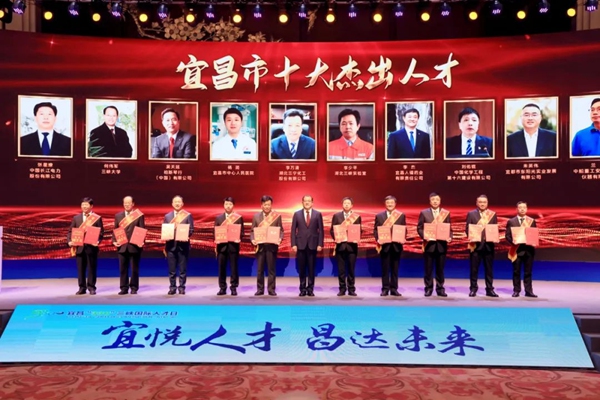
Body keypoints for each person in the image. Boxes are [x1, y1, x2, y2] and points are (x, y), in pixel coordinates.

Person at [417, 192, 452, 297]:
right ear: (430, 201)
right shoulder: (424, 213)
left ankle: (440, 289)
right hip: (429, 245)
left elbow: (449, 228)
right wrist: (425, 236)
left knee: (440, 269)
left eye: (437, 200)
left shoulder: (445, 213)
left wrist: (450, 237)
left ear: (440, 201)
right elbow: (419, 228)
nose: (435, 201)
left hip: (441, 245)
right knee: (428, 269)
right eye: (433, 200)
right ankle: (428, 288)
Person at [67, 197, 104, 295]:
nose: (84, 206)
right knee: (81, 269)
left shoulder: (97, 218)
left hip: (91, 247)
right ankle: (82, 288)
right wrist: (69, 241)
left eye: (86, 205)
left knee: (92, 268)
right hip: (79, 247)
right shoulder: (76, 218)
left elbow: (101, 233)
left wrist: (97, 241)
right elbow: (70, 231)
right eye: (83, 204)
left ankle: (91, 287)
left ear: (91, 206)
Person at [465, 194, 499, 297]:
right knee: (474, 269)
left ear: (487, 203)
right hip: (475, 246)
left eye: (484, 202)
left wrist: (494, 237)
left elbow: (494, 228)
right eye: (480, 202)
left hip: (489, 246)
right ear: (476, 203)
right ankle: (473, 289)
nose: (482, 204)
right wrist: (473, 235)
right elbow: (467, 229)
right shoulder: (471, 214)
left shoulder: (492, 214)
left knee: (489, 269)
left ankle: (489, 289)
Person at [291, 195, 324, 297]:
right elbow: (293, 230)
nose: (307, 202)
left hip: (313, 245)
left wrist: (320, 244)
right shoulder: (297, 214)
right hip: (300, 245)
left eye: (309, 201)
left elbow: (321, 230)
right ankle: (302, 289)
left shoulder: (318, 214)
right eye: (305, 201)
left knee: (311, 269)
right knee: (301, 269)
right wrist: (293, 244)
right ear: (302, 202)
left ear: (312, 203)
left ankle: (310, 289)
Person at [250, 195, 283, 296]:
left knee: (271, 270)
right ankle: (260, 289)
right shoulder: (256, 217)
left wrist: (280, 238)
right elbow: (252, 231)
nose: (267, 206)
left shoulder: (276, 216)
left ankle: (271, 289)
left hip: (272, 247)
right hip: (260, 247)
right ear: (261, 205)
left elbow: (281, 230)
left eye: (268, 204)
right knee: (260, 270)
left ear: (271, 205)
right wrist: (253, 239)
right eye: (265, 205)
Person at [373, 195, 406, 297]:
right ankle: (385, 289)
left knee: (395, 269)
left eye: (392, 202)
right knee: (385, 269)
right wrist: (378, 239)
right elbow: (375, 230)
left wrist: (403, 238)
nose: (390, 204)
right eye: (388, 202)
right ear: (385, 204)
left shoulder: (401, 215)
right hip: (385, 246)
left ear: (395, 204)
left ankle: (394, 289)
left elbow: (404, 229)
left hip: (396, 246)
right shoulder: (379, 216)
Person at [112, 196, 145, 295]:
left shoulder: (139, 215)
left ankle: (134, 287)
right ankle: (124, 288)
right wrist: (114, 241)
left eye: (129, 203)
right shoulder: (118, 216)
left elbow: (142, 229)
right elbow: (115, 230)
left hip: (134, 246)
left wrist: (141, 241)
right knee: (123, 268)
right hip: (122, 246)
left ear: (133, 204)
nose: (126, 205)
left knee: (134, 269)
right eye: (125, 203)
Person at [505, 201, 538, 298]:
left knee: (528, 272)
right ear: (516, 209)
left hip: (529, 250)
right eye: (520, 207)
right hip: (517, 250)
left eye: (524, 207)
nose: (522, 209)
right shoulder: (511, 221)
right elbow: (507, 236)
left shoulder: (531, 221)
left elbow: (533, 234)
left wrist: (533, 241)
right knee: (516, 271)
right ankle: (516, 290)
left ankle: (529, 291)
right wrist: (513, 242)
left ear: (527, 209)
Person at [330, 197, 361, 296]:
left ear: (352, 205)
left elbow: (360, 230)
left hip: (352, 247)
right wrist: (336, 238)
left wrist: (357, 237)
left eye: (348, 203)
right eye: (345, 203)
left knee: (351, 269)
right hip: (340, 246)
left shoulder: (356, 217)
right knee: (341, 269)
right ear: (342, 205)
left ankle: (351, 289)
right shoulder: (336, 216)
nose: (346, 205)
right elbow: (332, 230)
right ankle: (342, 289)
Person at [163, 195, 194, 295]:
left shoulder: (187, 215)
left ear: (182, 204)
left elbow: (191, 229)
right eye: (175, 202)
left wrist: (186, 235)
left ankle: (181, 287)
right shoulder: (167, 216)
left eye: (179, 202)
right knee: (172, 270)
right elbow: (165, 229)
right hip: (171, 246)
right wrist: (166, 235)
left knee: (182, 269)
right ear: (172, 204)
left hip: (183, 246)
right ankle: (172, 287)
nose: (177, 203)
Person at [214, 197, 244, 296]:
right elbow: (215, 232)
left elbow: (242, 232)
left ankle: (233, 287)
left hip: (233, 247)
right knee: (221, 269)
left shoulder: (238, 218)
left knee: (234, 268)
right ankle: (222, 288)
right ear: (223, 205)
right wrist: (216, 238)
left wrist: (239, 238)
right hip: (221, 248)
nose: (228, 206)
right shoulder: (218, 218)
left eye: (230, 204)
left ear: (233, 206)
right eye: (226, 204)